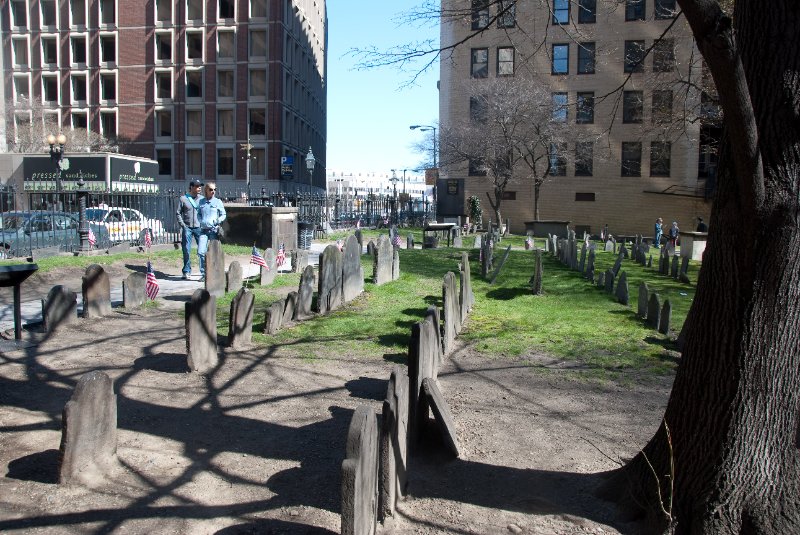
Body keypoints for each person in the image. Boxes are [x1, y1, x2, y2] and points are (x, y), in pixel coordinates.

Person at [197, 182, 227, 281]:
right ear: (206, 190)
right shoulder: (201, 202)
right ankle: (204, 273)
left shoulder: (218, 202)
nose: (213, 191)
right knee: (201, 252)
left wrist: (218, 220)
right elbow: (198, 214)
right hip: (203, 230)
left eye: (214, 189)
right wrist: (201, 221)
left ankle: (215, 271)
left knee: (214, 252)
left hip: (214, 231)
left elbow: (223, 214)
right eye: (211, 189)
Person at [176, 179, 203, 280]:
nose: (199, 188)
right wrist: (182, 225)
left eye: (200, 186)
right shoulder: (183, 199)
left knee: (202, 250)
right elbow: (178, 213)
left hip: (198, 227)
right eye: (197, 186)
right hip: (187, 227)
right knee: (186, 250)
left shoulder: (202, 199)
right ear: (191, 187)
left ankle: (203, 272)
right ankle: (186, 271)